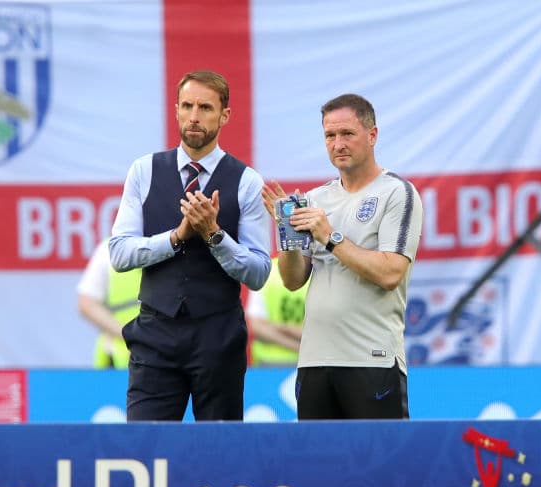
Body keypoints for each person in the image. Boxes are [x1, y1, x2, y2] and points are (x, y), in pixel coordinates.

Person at [109, 70, 272, 421]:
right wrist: (176, 237)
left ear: (224, 115)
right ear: (177, 110)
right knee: (144, 447)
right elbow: (119, 254)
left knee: (220, 453)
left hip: (219, 335)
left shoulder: (247, 182)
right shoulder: (144, 170)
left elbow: (259, 273)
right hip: (154, 332)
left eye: (205, 107)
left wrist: (214, 235)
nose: (194, 116)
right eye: (187, 106)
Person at [262, 93, 422, 419]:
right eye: (330, 136)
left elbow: (391, 273)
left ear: (372, 135)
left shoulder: (396, 192)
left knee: (381, 466)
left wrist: (330, 237)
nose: (338, 144)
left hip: (371, 359)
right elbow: (293, 280)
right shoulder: (315, 198)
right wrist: (287, 233)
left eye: (347, 133)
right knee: (318, 468)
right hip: (313, 362)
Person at [76, 238, 140, 369]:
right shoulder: (110, 249)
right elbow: (86, 302)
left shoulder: (178, 243)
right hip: (119, 359)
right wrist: (129, 336)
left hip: (167, 355)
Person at [247, 256, 308, 366]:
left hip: (268, 362)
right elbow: (256, 327)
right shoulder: (318, 275)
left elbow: (257, 326)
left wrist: (281, 328)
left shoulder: (267, 272)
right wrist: (300, 347)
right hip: (306, 360)